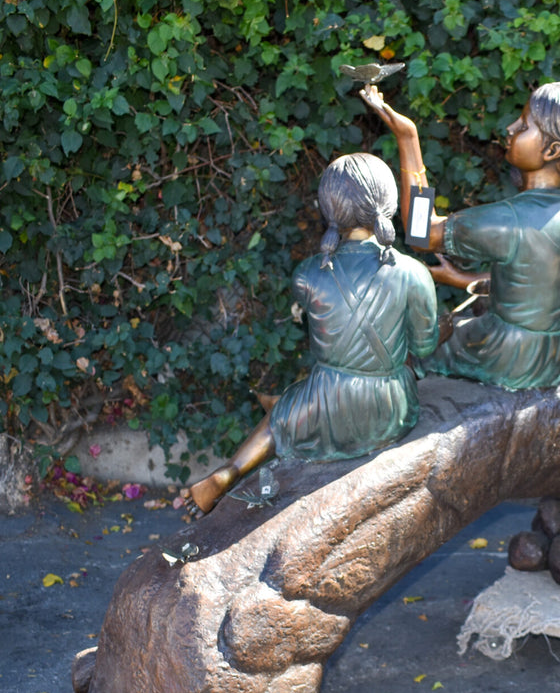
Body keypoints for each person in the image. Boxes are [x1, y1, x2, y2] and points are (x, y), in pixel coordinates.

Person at [187, 153, 440, 514]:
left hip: (327, 401)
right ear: (389, 202)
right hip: (389, 408)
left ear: (328, 210)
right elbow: (425, 344)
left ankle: (231, 469)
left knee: (282, 414)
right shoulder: (413, 272)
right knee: (288, 403)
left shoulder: (307, 274)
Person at [361, 80, 560, 391]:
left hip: (505, 356)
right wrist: (463, 279)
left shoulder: (512, 219)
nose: (510, 127)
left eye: (525, 125)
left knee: (414, 343)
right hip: (555, 358)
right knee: (459, 323)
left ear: (552, 150)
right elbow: (536, 286)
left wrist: (408, 139)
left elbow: (422, 233)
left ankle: (391, 412)